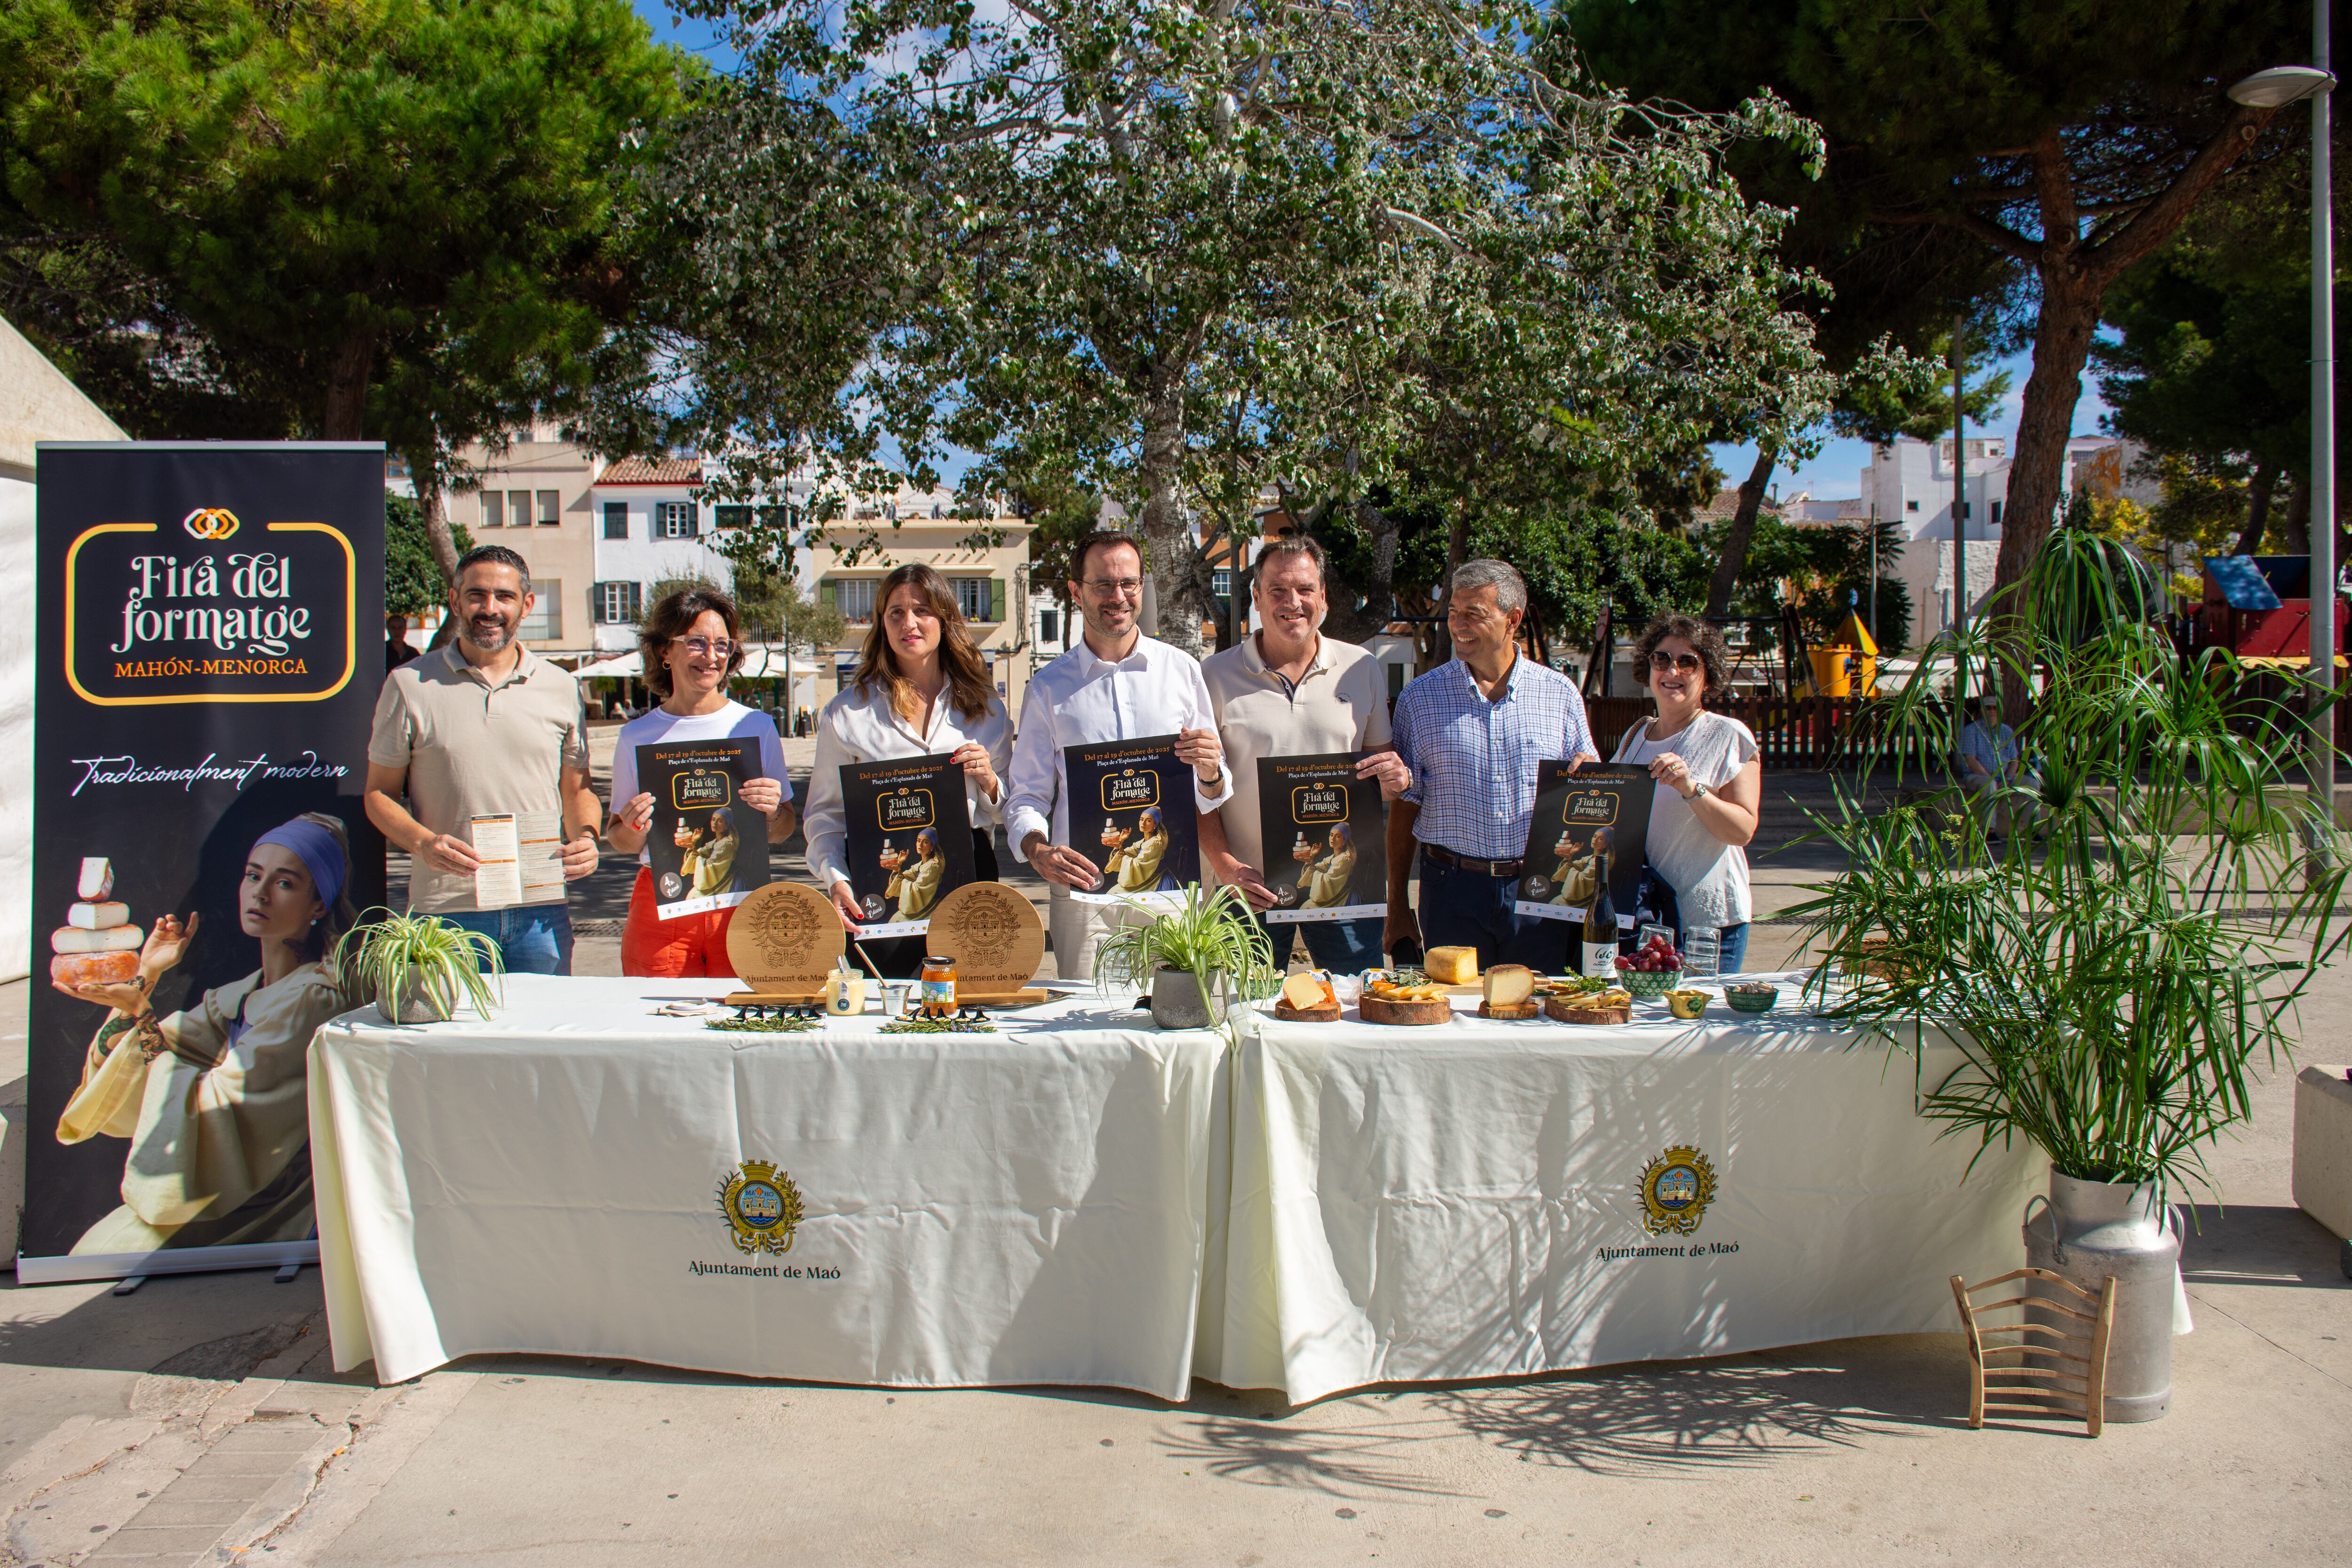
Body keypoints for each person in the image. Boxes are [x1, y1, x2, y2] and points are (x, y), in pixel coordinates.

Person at [52, 814, 356, 1255]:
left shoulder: (313, 999)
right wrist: (147, 975)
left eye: (285, 883)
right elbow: (153, 1058)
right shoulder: (242, 993)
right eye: (253, 875)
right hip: (221, 1192)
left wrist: (141, 1013)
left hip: (270, 1200)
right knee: (95, 1251)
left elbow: (223, 1111)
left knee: (99, 1253)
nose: (260, 892)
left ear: (319, 905)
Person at [1005, 530, 1231, 981]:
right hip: (1085, 896)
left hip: (1171, 892)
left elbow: (1208, 791)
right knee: (1086, 1022)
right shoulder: (1048, 688)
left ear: (1142, 587)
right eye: (1103, 584)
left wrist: (1211, 773)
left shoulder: (1182, 671)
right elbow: (1026, 794)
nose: (1119, 596)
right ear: (1076, 592)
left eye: (1129, 583)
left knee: (1173, 1015)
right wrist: (1036, 848)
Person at [366, 546, 601, 974]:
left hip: (540, 911)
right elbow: (378, 794)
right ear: (455, 601)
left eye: (504, 596)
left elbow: (577, 789)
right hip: (446, 915)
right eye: (476, 595)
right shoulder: (408, 684)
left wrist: (587, 836)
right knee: (450, 1023)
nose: (490, 608)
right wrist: (423, 843)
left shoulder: (561, 686)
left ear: (526, 605)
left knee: (544, 1020)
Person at [1199, 535, 1410, 971]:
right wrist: (1225, 867)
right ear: (1257, 597)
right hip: (1249, 888)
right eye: (1277, 590)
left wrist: (1397, 779)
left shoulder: (1362, 668)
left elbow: (1382, 781)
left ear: (1324, 597)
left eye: (1305, 589)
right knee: (1245, 1009)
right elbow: (1198, 790)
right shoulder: (1213, 675)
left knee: (1354, 1005)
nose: (1292, 602)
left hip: (1344, 886)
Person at [1386, 560, 1599, 971]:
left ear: (1513, 620)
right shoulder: (1419, 698)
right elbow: (1404, 806)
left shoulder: (1560, 695)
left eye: (1474, 613)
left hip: (1539, 890)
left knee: (1538, 1004)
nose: (1458, 624)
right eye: (1453, 612)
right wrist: (1397, 906)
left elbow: (1589, 793)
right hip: (1450, 890)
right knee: (1454, 1007)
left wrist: (1589, 774)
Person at [803, 563, 1012, 978]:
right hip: (880, 884)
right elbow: (825, 815)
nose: (909, 623)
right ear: (882, 623)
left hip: (969, 875)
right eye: (896, 612)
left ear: (946, 619)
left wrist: (990, 782)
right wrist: (835, 879)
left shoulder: (986, 710)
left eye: (923, 610)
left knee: (967, 1002)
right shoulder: (847, 712)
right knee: (884, 1004)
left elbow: (1009, 808)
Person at [605, 588, 796, 978]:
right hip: (663, 901)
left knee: (739, 1009)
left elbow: (782, 831)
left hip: (740, 900)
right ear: (665, 650)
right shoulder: (636, 736)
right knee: (658, 1012)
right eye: (696, 642)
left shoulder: (756, 726)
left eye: (722, 645)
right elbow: (620, 840)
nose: (711, 656)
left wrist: (773, 812)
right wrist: (633, 826)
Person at [1609, 614, 1762, 973]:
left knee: (1698, 1011)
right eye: (1661, 659)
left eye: (1688, 662)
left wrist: (1692, 789)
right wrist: (1581, 776)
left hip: (1708, 925)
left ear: (1708, 675)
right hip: (1646, 922)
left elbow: (1743, 830)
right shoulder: (1635, 736)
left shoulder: (1728, 734)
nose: (1672, 671)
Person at [1960, 693, 2036, 836]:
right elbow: (1970, 760)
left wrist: (2008, 778)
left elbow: (2014, 759)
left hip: (2004, 777)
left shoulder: (2006, 731)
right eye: (1988, 708)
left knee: (2033, 785)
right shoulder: (1972, 730)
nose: (1992, 711)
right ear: (1982, 710)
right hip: (1977, 776)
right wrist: (1992, 779)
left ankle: (2032, 828)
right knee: (1990, 785)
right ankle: (1990, 829)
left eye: (1995, 708)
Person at [1104, 806, 1173, 893]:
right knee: (1113, 892)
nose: (1143, 823)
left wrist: (1121, 849)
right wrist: (1121, 841)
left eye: (1148, 821)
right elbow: (1125, 855)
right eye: (1141, 819)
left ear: (1155, 825)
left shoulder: (1155, 843)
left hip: (1154, 880)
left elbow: (1137, 866)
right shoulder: (1143, 842)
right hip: (1145, 879)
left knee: (1115, 893)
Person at [884, 826, 947, 920]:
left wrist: (902, 878)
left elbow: (916, 890)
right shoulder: (919, 865)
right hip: (922, 905)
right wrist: (899, 864)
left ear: (932, 846)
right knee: (895, 919)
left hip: (930, 905)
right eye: (918, 841)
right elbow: (903, 878)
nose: (920, 845)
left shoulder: (933, 867)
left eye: (925, 842)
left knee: (898, 920)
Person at [1297, 822, 1358, 911]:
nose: (1333, 839)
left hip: (1342, 896)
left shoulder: (1344, 860)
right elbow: (1315, 870)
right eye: (1331, 835)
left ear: (1345, 841)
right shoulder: (1331, 858)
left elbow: (1327, 881)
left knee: (1306, 909)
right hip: (1333, 895)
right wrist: (1311, 856)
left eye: (1338, 836)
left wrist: (1312, 865)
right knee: (1305, 908)